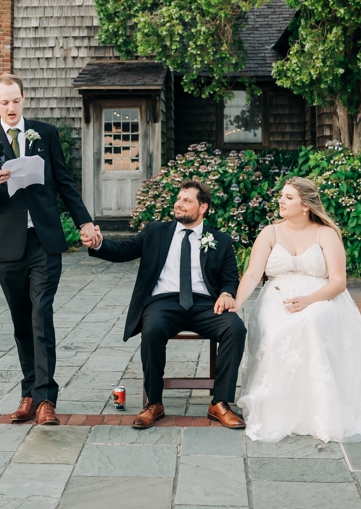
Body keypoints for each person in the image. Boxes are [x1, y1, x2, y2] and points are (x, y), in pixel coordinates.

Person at [233, 177, 361, 442]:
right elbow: (252, 274)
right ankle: (280, 406)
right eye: (282, 196)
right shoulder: (270, 233)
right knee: (276, 331)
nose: (281, 201)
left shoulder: (326, 234)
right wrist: (236, 305)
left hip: (322, 298)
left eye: (289, 197)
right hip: (276, 299)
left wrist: (310, 300)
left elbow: (338, 282)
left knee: (312, 322)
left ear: (306, 205)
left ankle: (321, 408)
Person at [0, 74, 96, 426]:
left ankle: (46, 400)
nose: (11, 107)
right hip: (8, 246)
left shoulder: (46, 134)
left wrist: (84, 222)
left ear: (24, 98)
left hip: (44, 241)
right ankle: (29, 394)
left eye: (16, 100)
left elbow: (65, 184)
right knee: (22, 321)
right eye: (4, 102)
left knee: (42, 315)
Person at [84, 180, 247, 429]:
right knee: (152, 329)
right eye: (178, 198)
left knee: (235, 328)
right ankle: (154, 402)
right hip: (164, 303)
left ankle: (220, 402)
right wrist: (98, 243)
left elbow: (229, 277)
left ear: (202, 207)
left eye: (186, 200)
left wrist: (226, 292)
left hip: (204, 305)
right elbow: (124, 250)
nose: (178, 203)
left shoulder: (220, 240)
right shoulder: (155, 231)